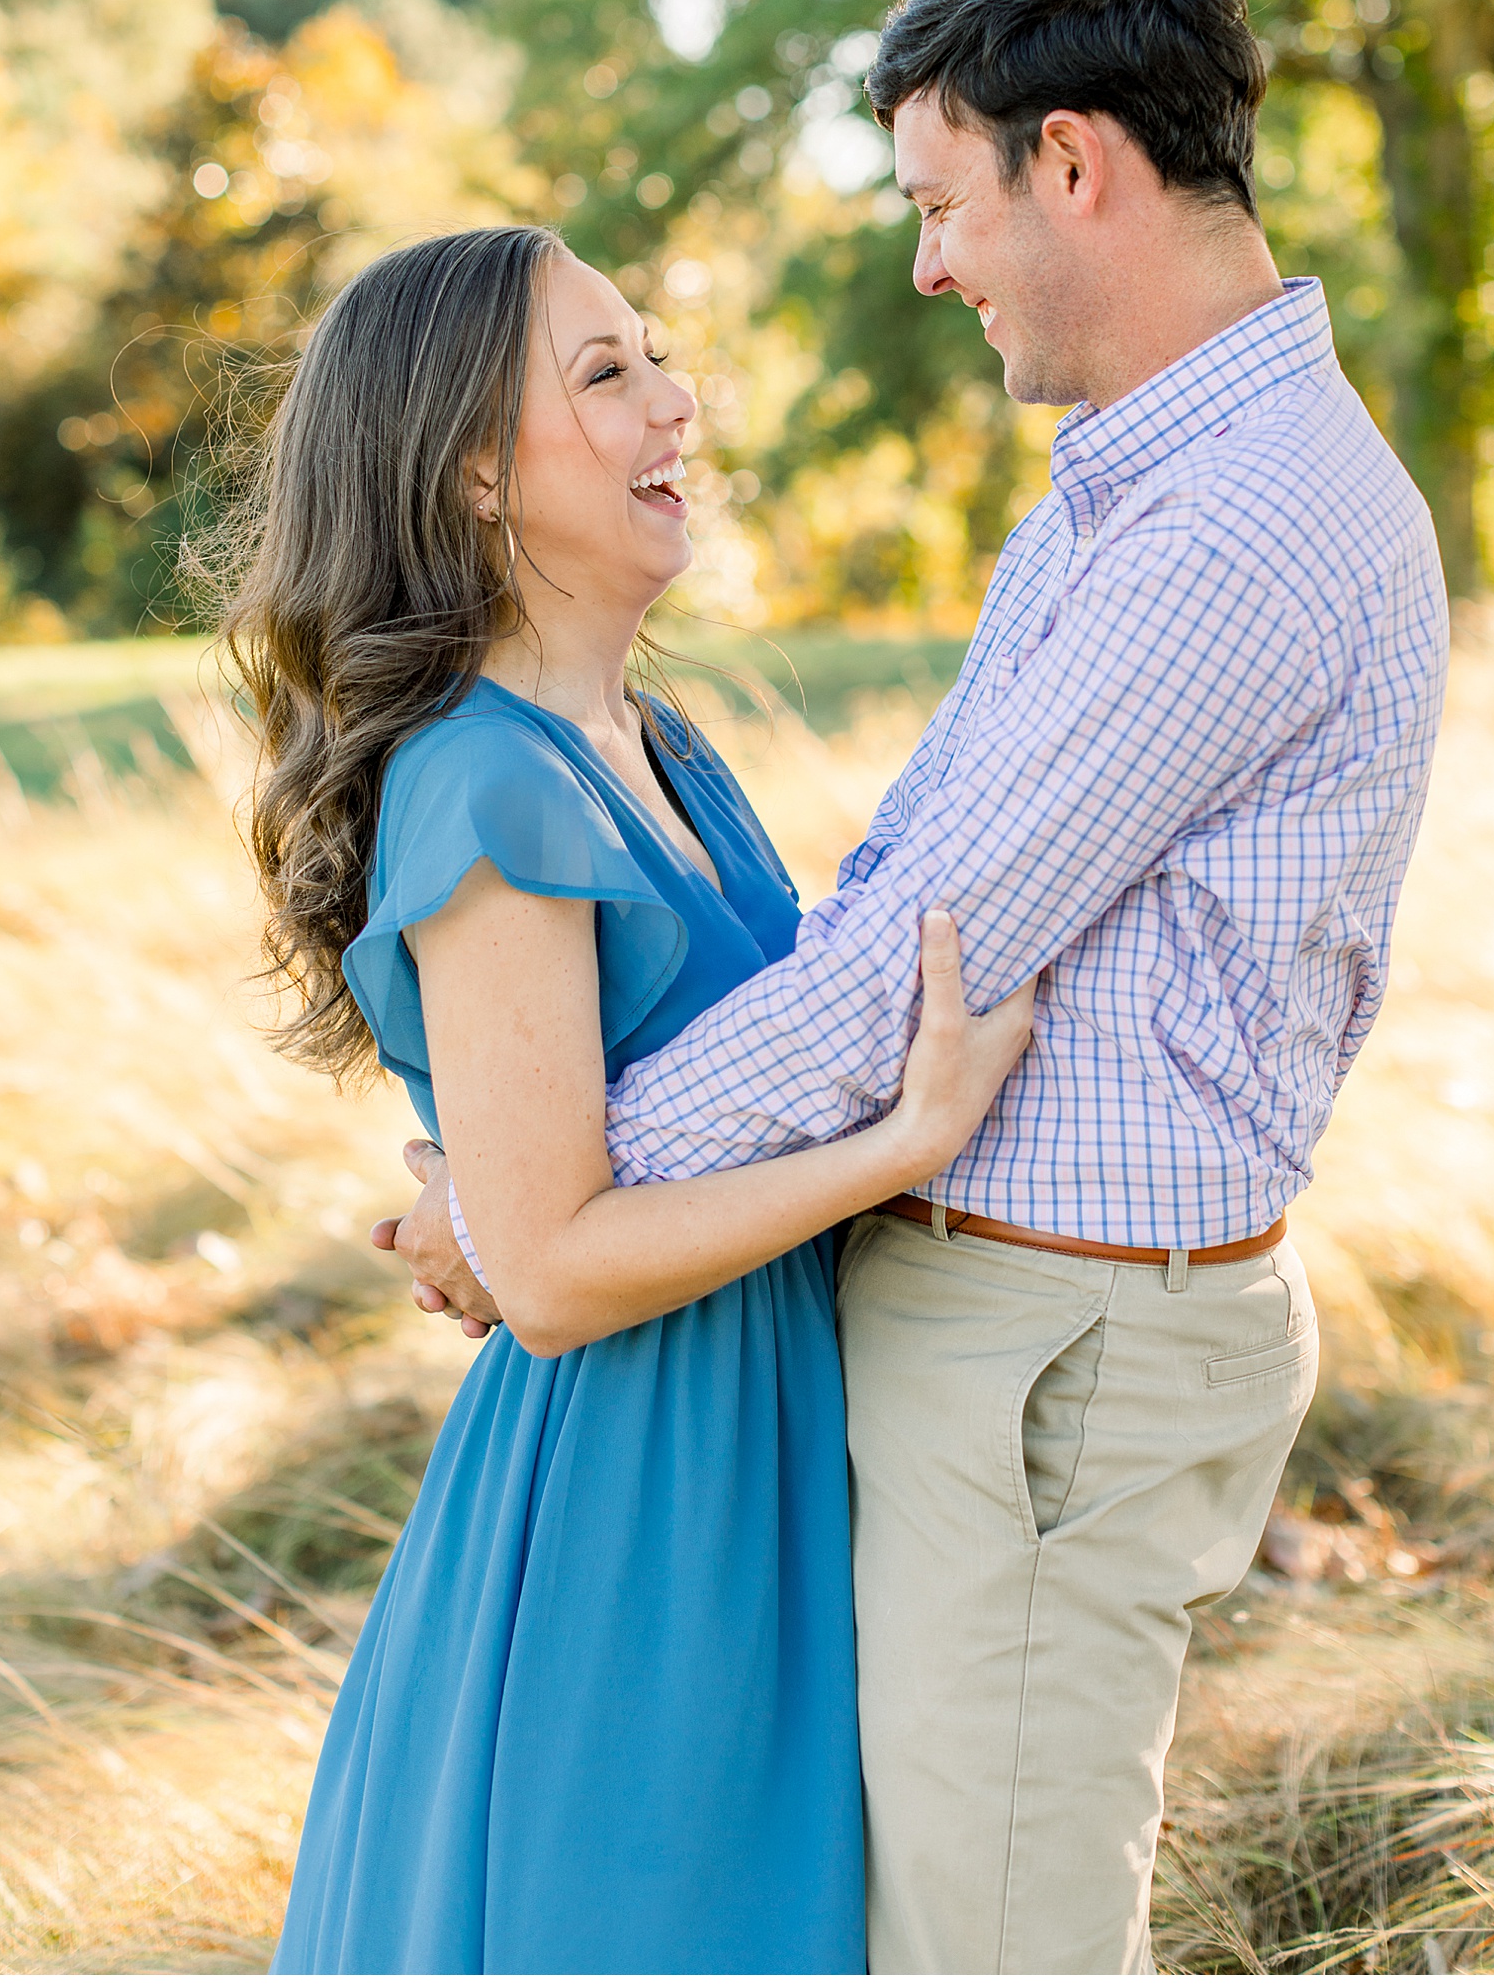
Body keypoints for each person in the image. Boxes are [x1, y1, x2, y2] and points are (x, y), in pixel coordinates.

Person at [394, 0, 1450, 1975]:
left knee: (996, 1951)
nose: (925, 256)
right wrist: (548, 1188)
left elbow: (911, 975)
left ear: (1075, 165)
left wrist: (533, 1204)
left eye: (941, 196)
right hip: (989, 1328)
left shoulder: (1231, 529)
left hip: (1055, 1355)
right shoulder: (1129, 486)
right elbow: (899, 884)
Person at [232, 222, 1035, 1975]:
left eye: (655, 355)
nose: (676, 400)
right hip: (637, 1517)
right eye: (606, 374)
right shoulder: (486, 788)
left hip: (757, 1453)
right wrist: (901, 1142)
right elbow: (560, 1264)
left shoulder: (661, 747)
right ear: (471, 472)